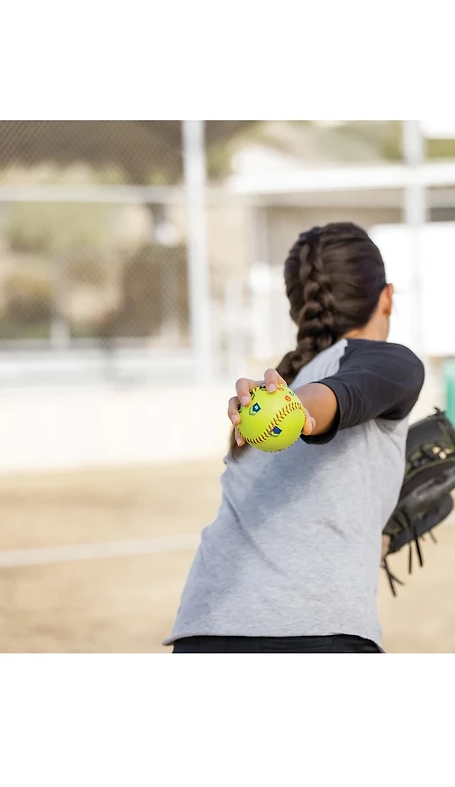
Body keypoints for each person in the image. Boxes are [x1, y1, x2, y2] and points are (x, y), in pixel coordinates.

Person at [165, 222, 425, 654]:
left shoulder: (283, 384)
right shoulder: (388, 362)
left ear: (296, 311)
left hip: (206, 628)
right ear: (387, 297)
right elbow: (340, 395)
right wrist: (298, 407)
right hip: (313, 630)